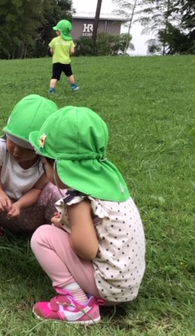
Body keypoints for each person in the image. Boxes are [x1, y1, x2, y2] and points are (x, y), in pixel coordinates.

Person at [28, 106, 145, 324]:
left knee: (42, 236)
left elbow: (86, 249)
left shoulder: (78, 198)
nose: (44, 170)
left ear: (61, 166)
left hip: (109, 287)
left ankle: (77, 304)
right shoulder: (109, 187)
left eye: (45, 164)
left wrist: (67, 227)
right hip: (126, 283)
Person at [0, 94, 64, 253]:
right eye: (13, 141)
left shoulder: (47, 162)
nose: (17, 151)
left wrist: (20, 205)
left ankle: (50, 235)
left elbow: (38, 190)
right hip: (3, 210)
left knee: (56, 192)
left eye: (27, 148)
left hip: (32, 212)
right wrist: (0, 196)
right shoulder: (0, 148)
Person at [48, 20, 79, 94]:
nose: (56, 32)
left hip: (56, 62)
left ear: (59, 31)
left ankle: (51, 89)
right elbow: (72, 51)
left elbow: (51, 50)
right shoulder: (70, 41)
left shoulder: (54, 40)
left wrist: (54, 53)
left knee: (54, 77)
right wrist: (68, 54)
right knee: (70, 74)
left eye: (57, 30)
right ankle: (73, 86)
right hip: (66, 62)